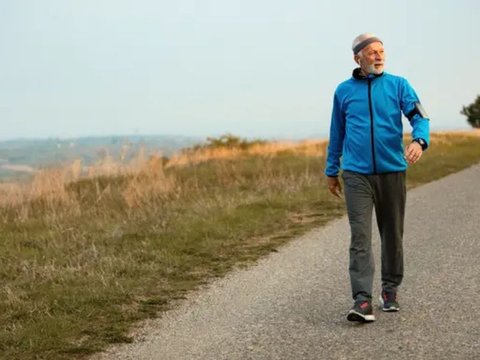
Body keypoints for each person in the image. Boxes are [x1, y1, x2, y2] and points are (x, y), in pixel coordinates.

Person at [325, 33, 430, 323]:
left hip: (392, 171)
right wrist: (331, 170)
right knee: (360, 236)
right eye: (371, 52)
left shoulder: (399, 85)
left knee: (392, 235)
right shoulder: (343, 91)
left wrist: (419, 141)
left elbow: (420, 116)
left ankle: (390, 290)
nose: (378, 56)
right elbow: (337, 132)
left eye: (381, 51)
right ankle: (362, 301)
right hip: (357, 174)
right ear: (357, 57)